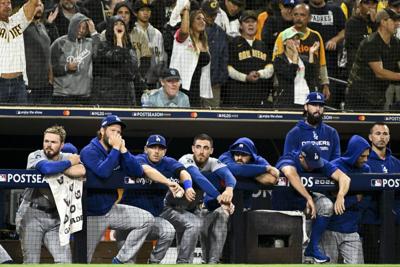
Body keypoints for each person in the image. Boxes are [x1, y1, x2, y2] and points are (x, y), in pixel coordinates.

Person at [80, 115, 182, 263]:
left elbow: (136, 171)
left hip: (111, 208)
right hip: (92, 213)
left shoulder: (116, 151)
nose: (116, 135)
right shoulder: (89, 151)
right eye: (112, 131)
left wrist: (124, 151)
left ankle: (119, 260)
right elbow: (103, 172)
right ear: (102, 131)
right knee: (84, 258)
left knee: (146, 219)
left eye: (119, 132)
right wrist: (116, 148)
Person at [118, 134, 195, 263]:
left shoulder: (168, 162)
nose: (157, 151)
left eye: (160, 148)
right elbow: (147, 170)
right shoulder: (138, 159)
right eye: (153, 147)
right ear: (145, 149)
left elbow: (184, 172)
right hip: (129, 221)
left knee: (169, 231)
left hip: (153, 218)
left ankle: (153, 263)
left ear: (164, 151)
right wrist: (168, 182)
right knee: (127, 262)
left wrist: (188, 187)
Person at [161, 133, 236, 263]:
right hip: (171, 208)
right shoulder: (186, 159)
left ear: (211, 150)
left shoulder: (213, 162)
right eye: (198, 147)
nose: (201, 151)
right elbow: (198, 178)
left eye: (206, 148)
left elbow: (229, 175)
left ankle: (212, 262)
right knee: (190, 227)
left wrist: (229, 189)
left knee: (221, 214)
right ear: (193, 148)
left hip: (192, 210)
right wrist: (219, 197)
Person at [15, 125, 85, 263]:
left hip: (56, 217)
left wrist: (58, 168)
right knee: (31, 262)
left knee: (65, 262)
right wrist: (69, 164)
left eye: (53, 142)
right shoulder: (35, 155)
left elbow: (81, 171)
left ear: (62, 144)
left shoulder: (66, 156)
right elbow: (46, 168)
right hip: (31, 214)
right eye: (46, 141)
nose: (49, 145)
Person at [271, 143, 351, 263]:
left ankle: (312, 247)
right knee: (281, 247)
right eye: (310, 164)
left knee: (326, 205)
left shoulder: (316, 161)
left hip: (302, 205)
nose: (313, 167)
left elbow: (345, 178)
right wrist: (308, 197)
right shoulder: (288, 158)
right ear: (301, 157)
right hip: (283, 208)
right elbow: (290, 173)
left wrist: (341, 195)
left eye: (315, 164)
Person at [320, 135, 370, 264]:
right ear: (354, 153)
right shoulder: (335, 166)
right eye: (362, 156)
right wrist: (355, 198)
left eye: (367, 156)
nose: (365, 160)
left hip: (352, 230)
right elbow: (329, 201)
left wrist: (345, 200)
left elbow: (365, 202)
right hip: (329, 229)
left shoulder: (366, 169)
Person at [273, 4, 330, 100]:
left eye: (302, 15)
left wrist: (325, 84)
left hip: (310, 85)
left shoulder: (316, 36)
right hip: (289, 88)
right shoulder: (283, 36)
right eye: (296, 14)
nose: (299, 18)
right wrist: (277, 87)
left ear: (309, 18)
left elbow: (322, 63)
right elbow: (278, 64)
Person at [346, 8, 400, 110]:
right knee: (358, 125)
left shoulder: (395, 43)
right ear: (383, 22)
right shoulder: (370, 43)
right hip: (359, 96)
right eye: (394, 21)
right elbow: (379, 72)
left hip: (378, 95)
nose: (398, 24)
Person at [362, 123, 400, 262]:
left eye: (385, 134)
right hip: (371, 222)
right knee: (372, 261)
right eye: (378, 133)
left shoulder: (396, 163)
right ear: (370, 137)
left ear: (389, 137)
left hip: (395, 223)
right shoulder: (364, 162)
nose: (381, 137)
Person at [224, 10, 274, 108]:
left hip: (259, 96)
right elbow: (228, 69)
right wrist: (245, 77)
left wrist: (260, 74)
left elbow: (270, 68)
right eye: (247, 22)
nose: (251, 25)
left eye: (253, 22)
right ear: (241, 25)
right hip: (237, 97)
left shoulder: (262, 45)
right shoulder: (233, 44)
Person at [50, 13, 100, 105]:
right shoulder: (59, 43)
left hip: (84, 96)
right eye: (78, 27)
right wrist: (66, 67)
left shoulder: (90, 43)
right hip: (62, 95)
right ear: (72, 25)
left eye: (84, 28)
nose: (81, 30)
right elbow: (50, 69)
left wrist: (93, 31)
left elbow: (100, 52)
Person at [169, 6, 213, 107]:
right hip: (181, 87)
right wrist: (186, 11)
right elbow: (184, 31)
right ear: (190, 21)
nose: (202, 21)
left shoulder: (204, 43)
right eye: (198, 18)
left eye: (203, 19)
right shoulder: (183, 38)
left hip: (196, 90)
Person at [219, 137, 279, 208]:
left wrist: (246, 172)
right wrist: (265, 169)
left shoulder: (257, 160)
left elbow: (271, 179)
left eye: (244, 154)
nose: (239, 158)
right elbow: (234, 169)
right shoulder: (225, 157)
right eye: (237, 154)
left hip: (245, 206)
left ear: (251, 155)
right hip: (220, 205)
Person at [92, 15, 138, 106]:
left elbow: (133, 71)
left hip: (125, 95)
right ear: (110, 27)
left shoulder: (129, 49)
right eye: (116, 24)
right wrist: (119, 39)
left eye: (122, 24)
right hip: (107, 95)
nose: (119, 26)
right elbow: (117, 58)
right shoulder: (103, 47)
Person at [0, 0, 39, 104]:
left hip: (19, 83)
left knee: (21, 119)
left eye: (8, 3)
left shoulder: (17, 21)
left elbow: (33, 3)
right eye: (2, 3)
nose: (6, 6)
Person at [308, 0, 346, 107]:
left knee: (328, 101)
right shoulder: (304, 10)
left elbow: (344, 30)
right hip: (308, 61)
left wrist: (335, 39)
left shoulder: (335, 10)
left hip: (330, 63)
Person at [284, 92, 341, 161]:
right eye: (314, 105)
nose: (318, 109)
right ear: (306, 107)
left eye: (321, 105)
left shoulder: (331, 132)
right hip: (303, 172)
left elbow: (336, 161)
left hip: (327, 171)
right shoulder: (294, 133)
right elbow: (288, 161)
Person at [273, 27, 320, 108]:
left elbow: (312, 76)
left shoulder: (304, 59)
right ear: (284, 42)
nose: (296, 41)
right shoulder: (279, 60)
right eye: (292, 39)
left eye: (297, 38)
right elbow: (290, 76)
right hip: (288, 102)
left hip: (306, 100)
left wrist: (311, 54)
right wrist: (295, 54)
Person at [24, 0, 53, 104]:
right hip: (29, 84)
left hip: (45, 84)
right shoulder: (23, 28)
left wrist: (51, 75)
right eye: (36, 5)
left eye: (41, 5)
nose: (39, 8)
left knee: (45, 118)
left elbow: (47, 51)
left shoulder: (42, 26)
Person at [134, 0, 168, 87]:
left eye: (148, 10)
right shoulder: (131, 32)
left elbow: (161, 57)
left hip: (153, 79)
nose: (146, 13)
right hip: (136, 79)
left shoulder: (157, 33)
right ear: (135, 13)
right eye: (142, 10)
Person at [202, 0, 229, 108]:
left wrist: (220, 79)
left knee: (211, 116)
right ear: (202, 12)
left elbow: (224, 58)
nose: (212, 17)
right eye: (210, 14)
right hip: (195, 83)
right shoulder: (193, 29)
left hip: (213, 83)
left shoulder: (220, 32)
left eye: (214, 14)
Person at [344, 0, 378, 77]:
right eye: (367, 3)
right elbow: (359, 45)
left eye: (373, 4)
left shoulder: (377, 23)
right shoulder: (352, 22)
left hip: (373, 66)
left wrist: (374, 23)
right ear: (359, 5)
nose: (370, 7)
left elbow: (380, 42)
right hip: (357, 66)